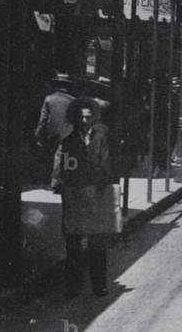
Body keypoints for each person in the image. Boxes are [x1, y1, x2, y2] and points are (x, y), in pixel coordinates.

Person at [51, 97, 119, 298]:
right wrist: (59, 182)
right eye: (81, 117)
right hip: (74, 194)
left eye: (88, 117)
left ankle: (99, 285)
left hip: (96, 192)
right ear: (75, 118)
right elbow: (61, 165)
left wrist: (102, 183)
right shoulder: (68, 140)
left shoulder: (101, 138)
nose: (84, 120)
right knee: (73, 242)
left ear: (93, 118)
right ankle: (73, 286)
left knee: (97, 242)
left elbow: (106, 163)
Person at [35, 73, 76, 151]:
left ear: (56, 85)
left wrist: (38, 137)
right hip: (68, 139)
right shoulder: (74, 101)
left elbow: (43, 120)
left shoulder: (49, 99)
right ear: (68, 86)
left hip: (51, 138)